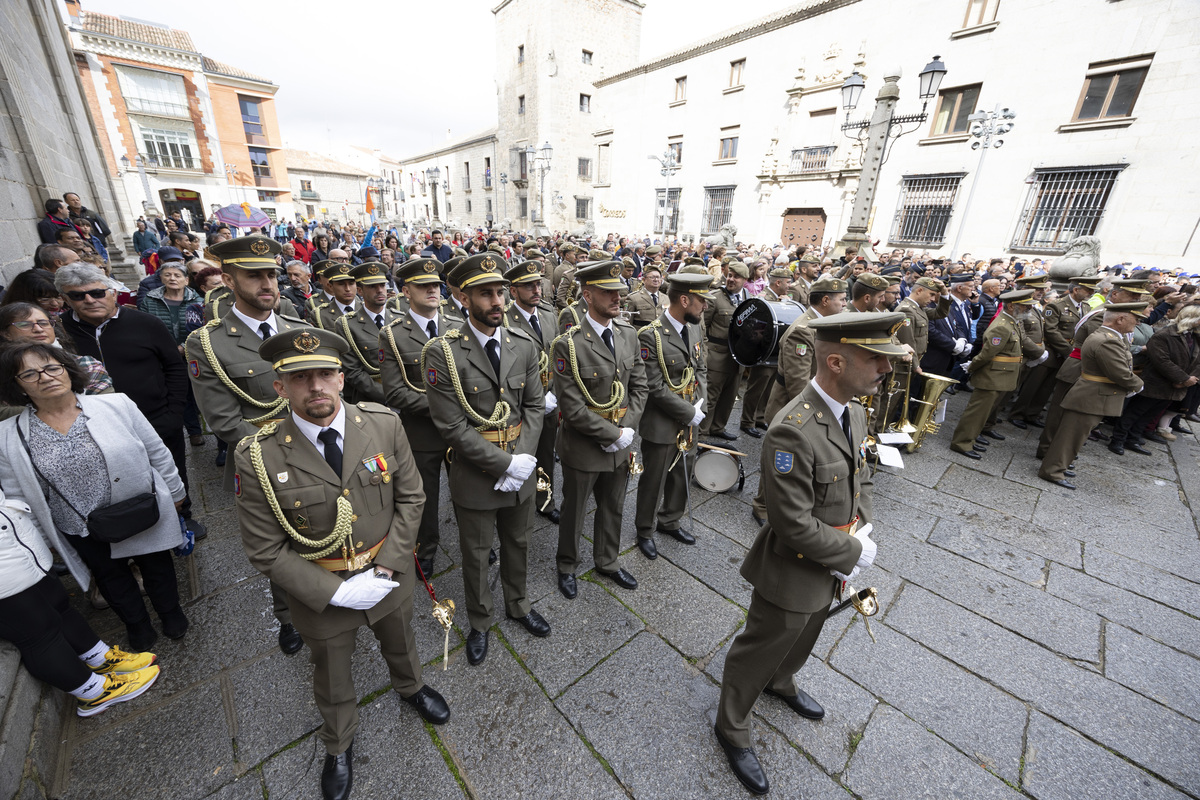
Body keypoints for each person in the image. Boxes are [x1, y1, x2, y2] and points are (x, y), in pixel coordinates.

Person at [234, 328, 450, 800]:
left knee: (401, 638)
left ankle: (411, 688)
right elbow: (264, 548)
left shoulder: (384, 424)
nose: (315, 387)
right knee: (331, 668)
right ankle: (339, 741)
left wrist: (390, 565)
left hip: (387, 571)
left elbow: (412, 497)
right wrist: (333, 592)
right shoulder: (258, 455)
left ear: (341, 379)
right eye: (300, 377)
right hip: (322, 586)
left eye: (325, 374)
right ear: (280, 387)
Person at [714, 312, 893, 796]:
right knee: (764, 644)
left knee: (808, 631)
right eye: (875, 359)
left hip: (834, 560)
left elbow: (862, 477)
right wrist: (852, 548)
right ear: (835, 361)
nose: (886, 368)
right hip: (794, 566)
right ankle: (731, 724)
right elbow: (789, 522)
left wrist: (863, 528)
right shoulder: (792, 428)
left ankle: (782, 681)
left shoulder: (854, 410)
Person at [0, 343, 189, 651]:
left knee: (157, 565)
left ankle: (171, 613)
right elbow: (18, 495)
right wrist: (41, 538)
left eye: (51, 367)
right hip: (79, 522)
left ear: (67, 369)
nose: (45, 377)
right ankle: (137, 625)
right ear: (16, 384)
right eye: (29, 373)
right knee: (110, 577)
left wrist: (177, 491)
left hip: (137, 508)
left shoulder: (117, 404)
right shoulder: (9, 435)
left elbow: (157, 451)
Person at [424, 254, 549, 666]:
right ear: (462, 297)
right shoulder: (441, 352)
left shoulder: (523, 344)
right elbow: (451, 426)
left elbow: (533, 406)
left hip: (522, 465)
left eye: (499, 292)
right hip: (477, 472)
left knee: (519, 541)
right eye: (485, 294)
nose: (497, 301)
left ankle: (518, 602)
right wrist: (502, 465)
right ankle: (480, 620)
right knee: (477, 553)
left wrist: (523, 460)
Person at [185, 235, 307, 655]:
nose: (267, 283)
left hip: (318, 455)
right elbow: (223, 421)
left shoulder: (300, 331)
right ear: (230, 279)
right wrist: (296, 448)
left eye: (271, 274)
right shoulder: (208, 342)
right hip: (262, 460)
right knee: (281, 544)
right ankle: (289, 617)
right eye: (254, 275)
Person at [56, 265, 202, 537]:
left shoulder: (145, 324)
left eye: (97, 292)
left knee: (171, 468)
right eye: (78, 296)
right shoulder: (59, 334)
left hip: (156, 416)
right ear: (65, 299)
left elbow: (174, 366)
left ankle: (183, 516)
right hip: (94, 426)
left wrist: (174, 412)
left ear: (112, 293)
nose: (89, 300)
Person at [0, 483, 161, 717]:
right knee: (38, 635)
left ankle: (99, 658)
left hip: (16, 541)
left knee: (59, 604)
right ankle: (94, 693)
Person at [553, 261, 648, 598]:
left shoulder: (628, 335)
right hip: (584, 444)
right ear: (587, 294)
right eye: (609, 292)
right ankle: (567, 564)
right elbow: (572, 406)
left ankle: (607, 561)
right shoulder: (569, 344)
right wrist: (612, 435)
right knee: (574, 510)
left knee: (614, 505)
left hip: (622, 439)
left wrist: (626, 430)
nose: (617, 297)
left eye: (619, 291)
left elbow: (640, 387)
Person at [379, 258, 464, 578]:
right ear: (405, 291)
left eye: (436, 285)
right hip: (422, 432)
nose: (432, 290)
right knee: (424, 498)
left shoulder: (456, 326)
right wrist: (445, 406)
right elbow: (396, 393)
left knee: (467, 490)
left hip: (460, 429)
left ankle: (477, 541)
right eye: (423, 285)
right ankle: (426, 549)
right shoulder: (393, 335)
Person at [633, 272, 710, 559]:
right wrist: (687, 412)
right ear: (684, 299)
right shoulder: (650, 335)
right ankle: (644, 529)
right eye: (701, 300)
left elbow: (701, 367)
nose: (705, 307)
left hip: (691, 416)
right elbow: (653, 386)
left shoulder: (694, 328)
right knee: (654, 479)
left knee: (682, 473)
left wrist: (701, 405)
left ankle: (670, 520)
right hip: (663, 421)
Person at [1039, 304, 1147, 488]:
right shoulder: (1107, 340)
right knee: (1070, 436)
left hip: (1093, 394)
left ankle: (1058, 467)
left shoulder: (1109, 337)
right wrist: (1138, 385)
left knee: (1074, 435)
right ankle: (1053, 470)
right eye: (1135, 318)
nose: (1137, 322)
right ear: (1120, 319)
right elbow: (1119, 372)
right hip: (1091, 395)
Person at [502, 258, 561, 523]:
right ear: (513, 291)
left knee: (546, 452)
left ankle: (545, 499)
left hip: (549, 399)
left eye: (538, 284)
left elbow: (558, 356)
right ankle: (515, 502)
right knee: (520, 453)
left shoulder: (548, 314)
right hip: (520, 402)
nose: (536, 290)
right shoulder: (503, 320)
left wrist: (555, 392)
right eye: (528, 286)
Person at [949, 290, 1041, 459]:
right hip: (991, 376)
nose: (1029, 309)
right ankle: (961, 442)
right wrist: (971, 367)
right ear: (1012, 306)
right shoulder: (1002, 326)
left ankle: (971, 438)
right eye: (1025, 306)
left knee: (984, 412)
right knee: (977, 413)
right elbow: (987, 354)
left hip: (1000, 376)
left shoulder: (1013, 321)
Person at [1108, 304, 1200, 455]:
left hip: (1176, 386)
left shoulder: (1194, 337)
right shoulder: (1165, 335)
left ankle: (1133, 439)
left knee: (1150, 414)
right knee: (1135, 412)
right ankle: (1117, 439)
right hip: (1157, 383)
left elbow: (1197, 361)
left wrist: (1188, 380)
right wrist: (1183, 378)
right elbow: (1161, 361)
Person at [1009, 276, 1099, 429]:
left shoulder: (1085, 307)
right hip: (1051, 351)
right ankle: (1017, 413)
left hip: (1067, 355)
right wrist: (1068, 351)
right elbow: (1051, 330)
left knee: (1047, 387)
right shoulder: (1057, 305)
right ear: (1076, 289)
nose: (1090, 293)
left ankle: (1032, 414)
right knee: (1034, 385)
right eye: (1088, 290)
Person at [0, 303, 112, 402]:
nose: (38, 329)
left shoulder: (87, 365)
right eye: (25, 324)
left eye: (44, 323)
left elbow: (104, 406)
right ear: (5, 333)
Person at [701, 261, 749, 441]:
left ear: (745, 280)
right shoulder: (714, 298)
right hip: (716, 355)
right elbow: (702, 328)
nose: (731, 279)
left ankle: (718, 427)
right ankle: (702, 432)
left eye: (736, 277)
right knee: (710, 397)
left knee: (729, 396)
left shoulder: (749, 298)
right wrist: (704, 355)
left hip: (738, 358)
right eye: (729, 275)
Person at [333, 262, 392, 405]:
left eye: (382, 285)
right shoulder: (346, 325)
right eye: (373, 286)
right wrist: (391, 396)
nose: (380, 290)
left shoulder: (399, 318)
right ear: (360, 291)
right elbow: (353, 372)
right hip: (370, 400)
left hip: (405, 397)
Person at [2, 268, 68, 317]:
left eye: (59, 297)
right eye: (45, 299)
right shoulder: (13, 319)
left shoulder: (69, 313)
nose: (54, 304)